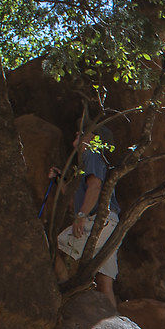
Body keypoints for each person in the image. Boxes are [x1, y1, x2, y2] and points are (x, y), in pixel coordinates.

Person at [51, 126, 123, 309]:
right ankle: (118, 327)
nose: (77, 132)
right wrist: (59, 179)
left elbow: (95, 187)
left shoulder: (91, 154)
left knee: (52, 246)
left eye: (84, 131)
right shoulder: (90, 163)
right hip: (110, 223)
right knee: (104, 282)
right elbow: (73, 202)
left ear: (95, 138)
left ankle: (66, 290)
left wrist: (81, 216)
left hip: (98, 220)